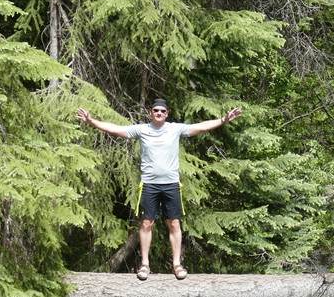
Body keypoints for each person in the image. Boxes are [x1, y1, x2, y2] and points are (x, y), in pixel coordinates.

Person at [76, 98, 242, 280]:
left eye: (163, 111)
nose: (159, 113)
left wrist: (223, 120)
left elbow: (201, 126)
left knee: (174, 223)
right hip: (149, 184)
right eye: (156, 110)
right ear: (150, 112)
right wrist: (91, 121)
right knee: (147, 223)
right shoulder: (142, 130)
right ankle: (145, 265)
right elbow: (116, 129)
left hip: (171, 184)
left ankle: (177, 264)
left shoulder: (175, 129)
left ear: (167, 113)